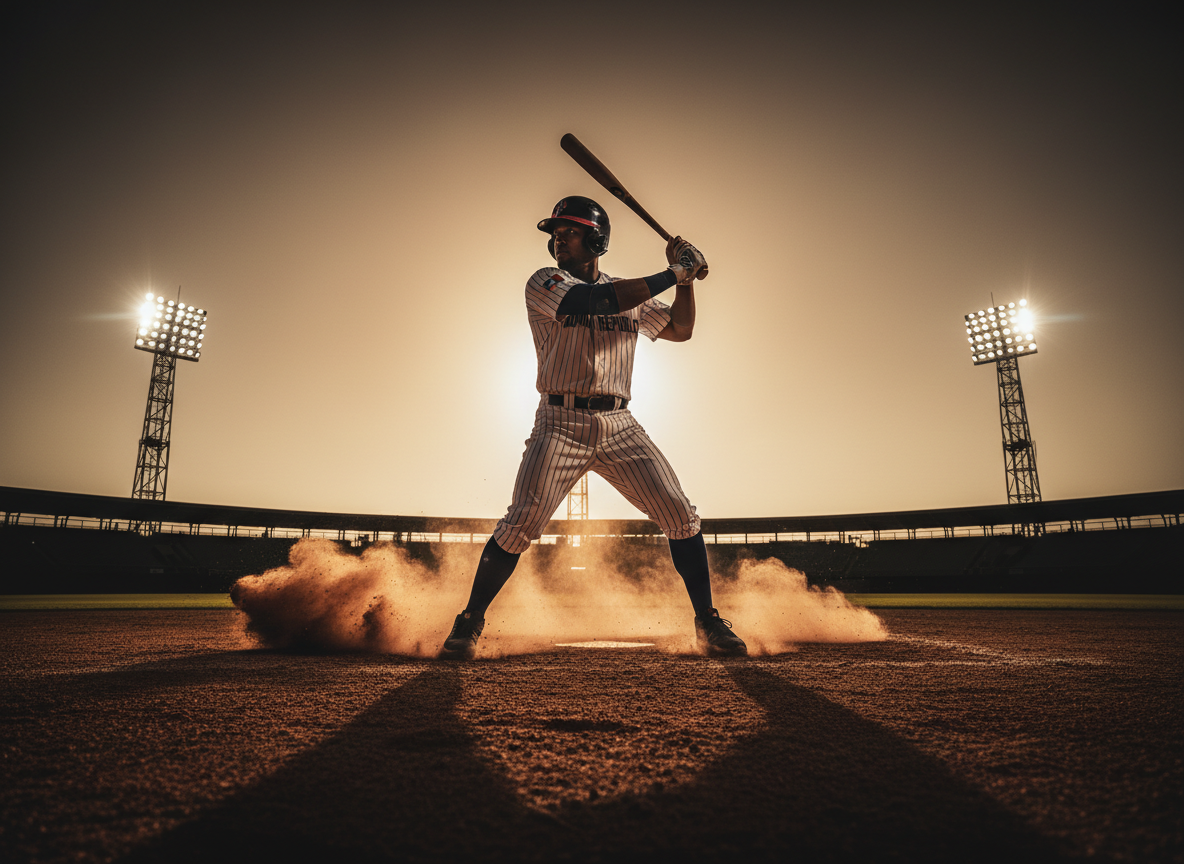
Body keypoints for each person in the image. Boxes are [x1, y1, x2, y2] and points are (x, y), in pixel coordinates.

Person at [439, 196, 746, 659]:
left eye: (569, 232)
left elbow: (682, 329)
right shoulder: (545, 282)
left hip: (621, 424)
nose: (558, 239)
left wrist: (687, 283)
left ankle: (708, 622)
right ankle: (469, 622)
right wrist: (675, 272)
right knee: (521, 523)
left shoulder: (633, 294)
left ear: (596, 239)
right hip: (559, 423)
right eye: (555, 233)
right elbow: (593, 300)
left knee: (680, 514)